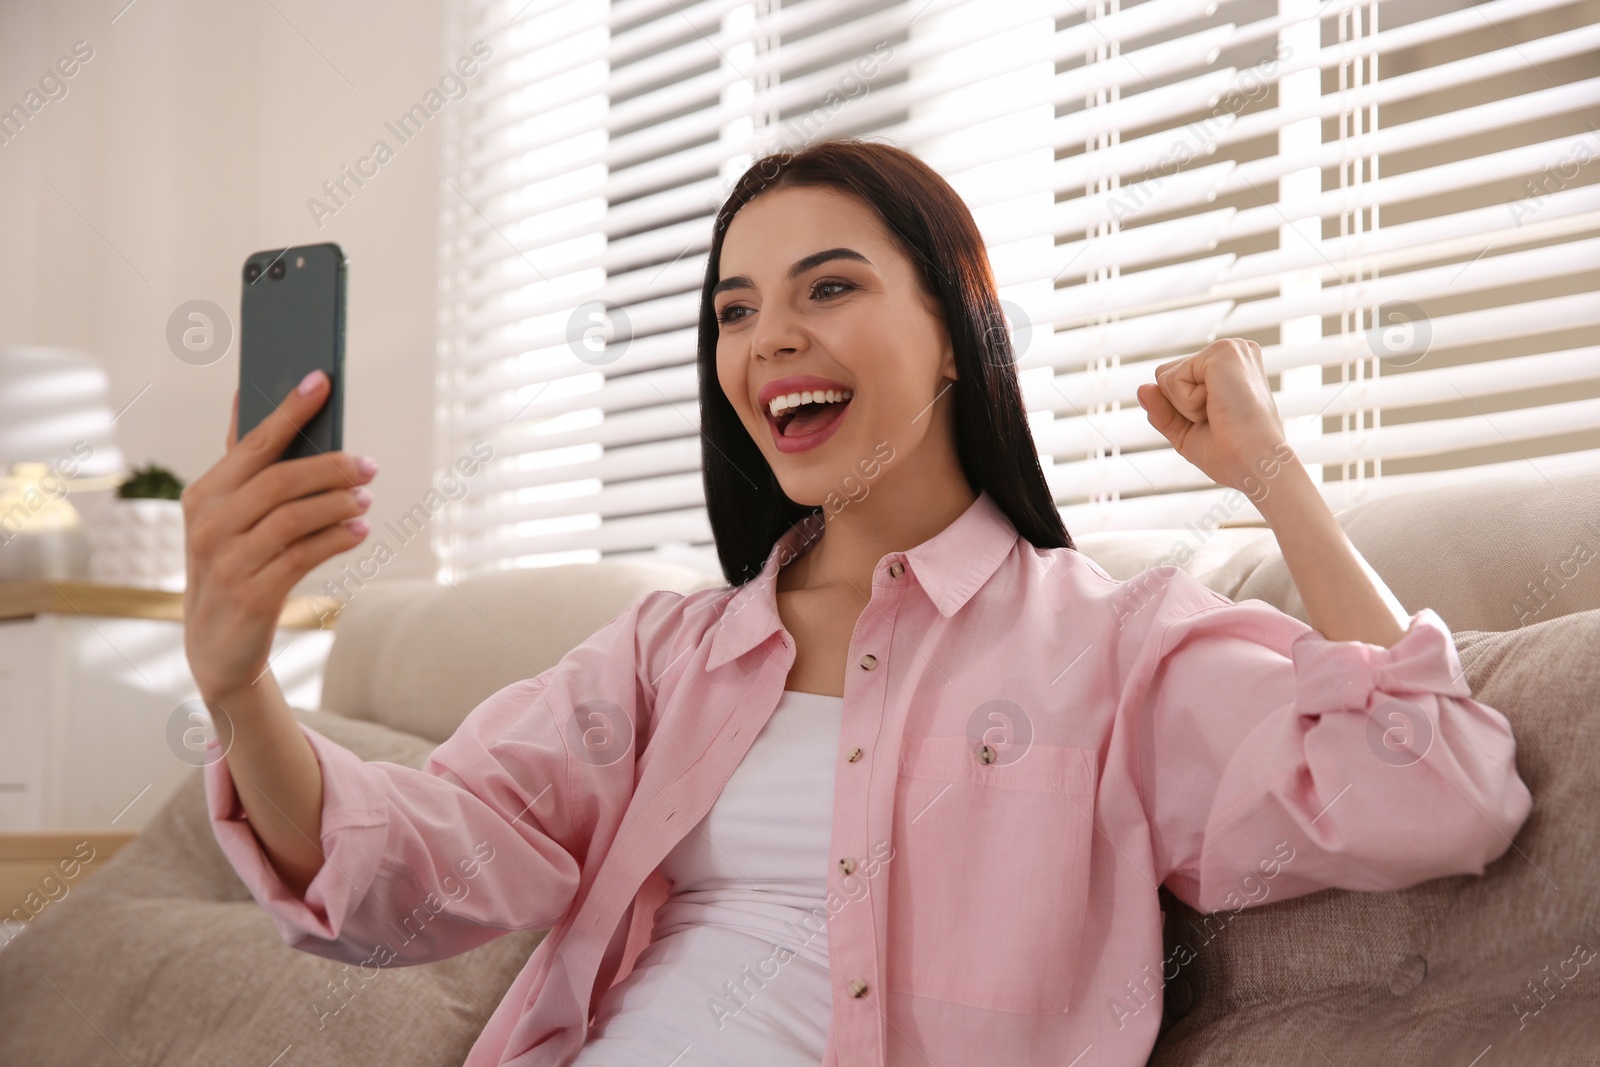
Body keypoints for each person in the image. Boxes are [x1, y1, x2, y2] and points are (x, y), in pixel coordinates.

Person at [182, 138, 1533, 1067]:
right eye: (734, 309)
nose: (768, 337)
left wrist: (1274, 477)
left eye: (830, 287)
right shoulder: (667, 657)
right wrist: (240, 689)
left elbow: (1439, 789)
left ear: (956, 330)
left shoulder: (1113, 647)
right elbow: (412, 878)